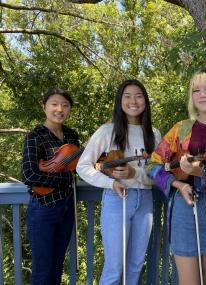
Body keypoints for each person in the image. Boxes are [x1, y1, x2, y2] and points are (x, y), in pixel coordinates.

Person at [146, 68, 206, 285]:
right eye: (196, 90)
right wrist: (177, 184)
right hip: (185, 208)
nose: (203, 94)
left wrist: (204, 174)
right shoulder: (182, 130)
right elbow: (151, 165)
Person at [76, 79, 161, 285]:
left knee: (135, 265)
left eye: (139, 96)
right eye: (127, 96)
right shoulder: (108, 131)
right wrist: (110, 183)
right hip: (116, 199)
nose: (133, 101)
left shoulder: (154, 134)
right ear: (119, 101)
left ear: (145, 102)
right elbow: (82, 166)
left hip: (145, 201)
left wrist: (134, 173)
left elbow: (157, 173)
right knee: (115, 267)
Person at [21, 87, 80, 285]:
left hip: (66, 208)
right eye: (54, 104)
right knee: (42, 269)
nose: (59, 109)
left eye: (65, 105)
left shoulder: (72, 136)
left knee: (56, 266)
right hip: (43, 209)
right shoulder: (35, 136)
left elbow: (78, 167)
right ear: (44, 107)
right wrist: (64, 179)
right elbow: (29, 174)